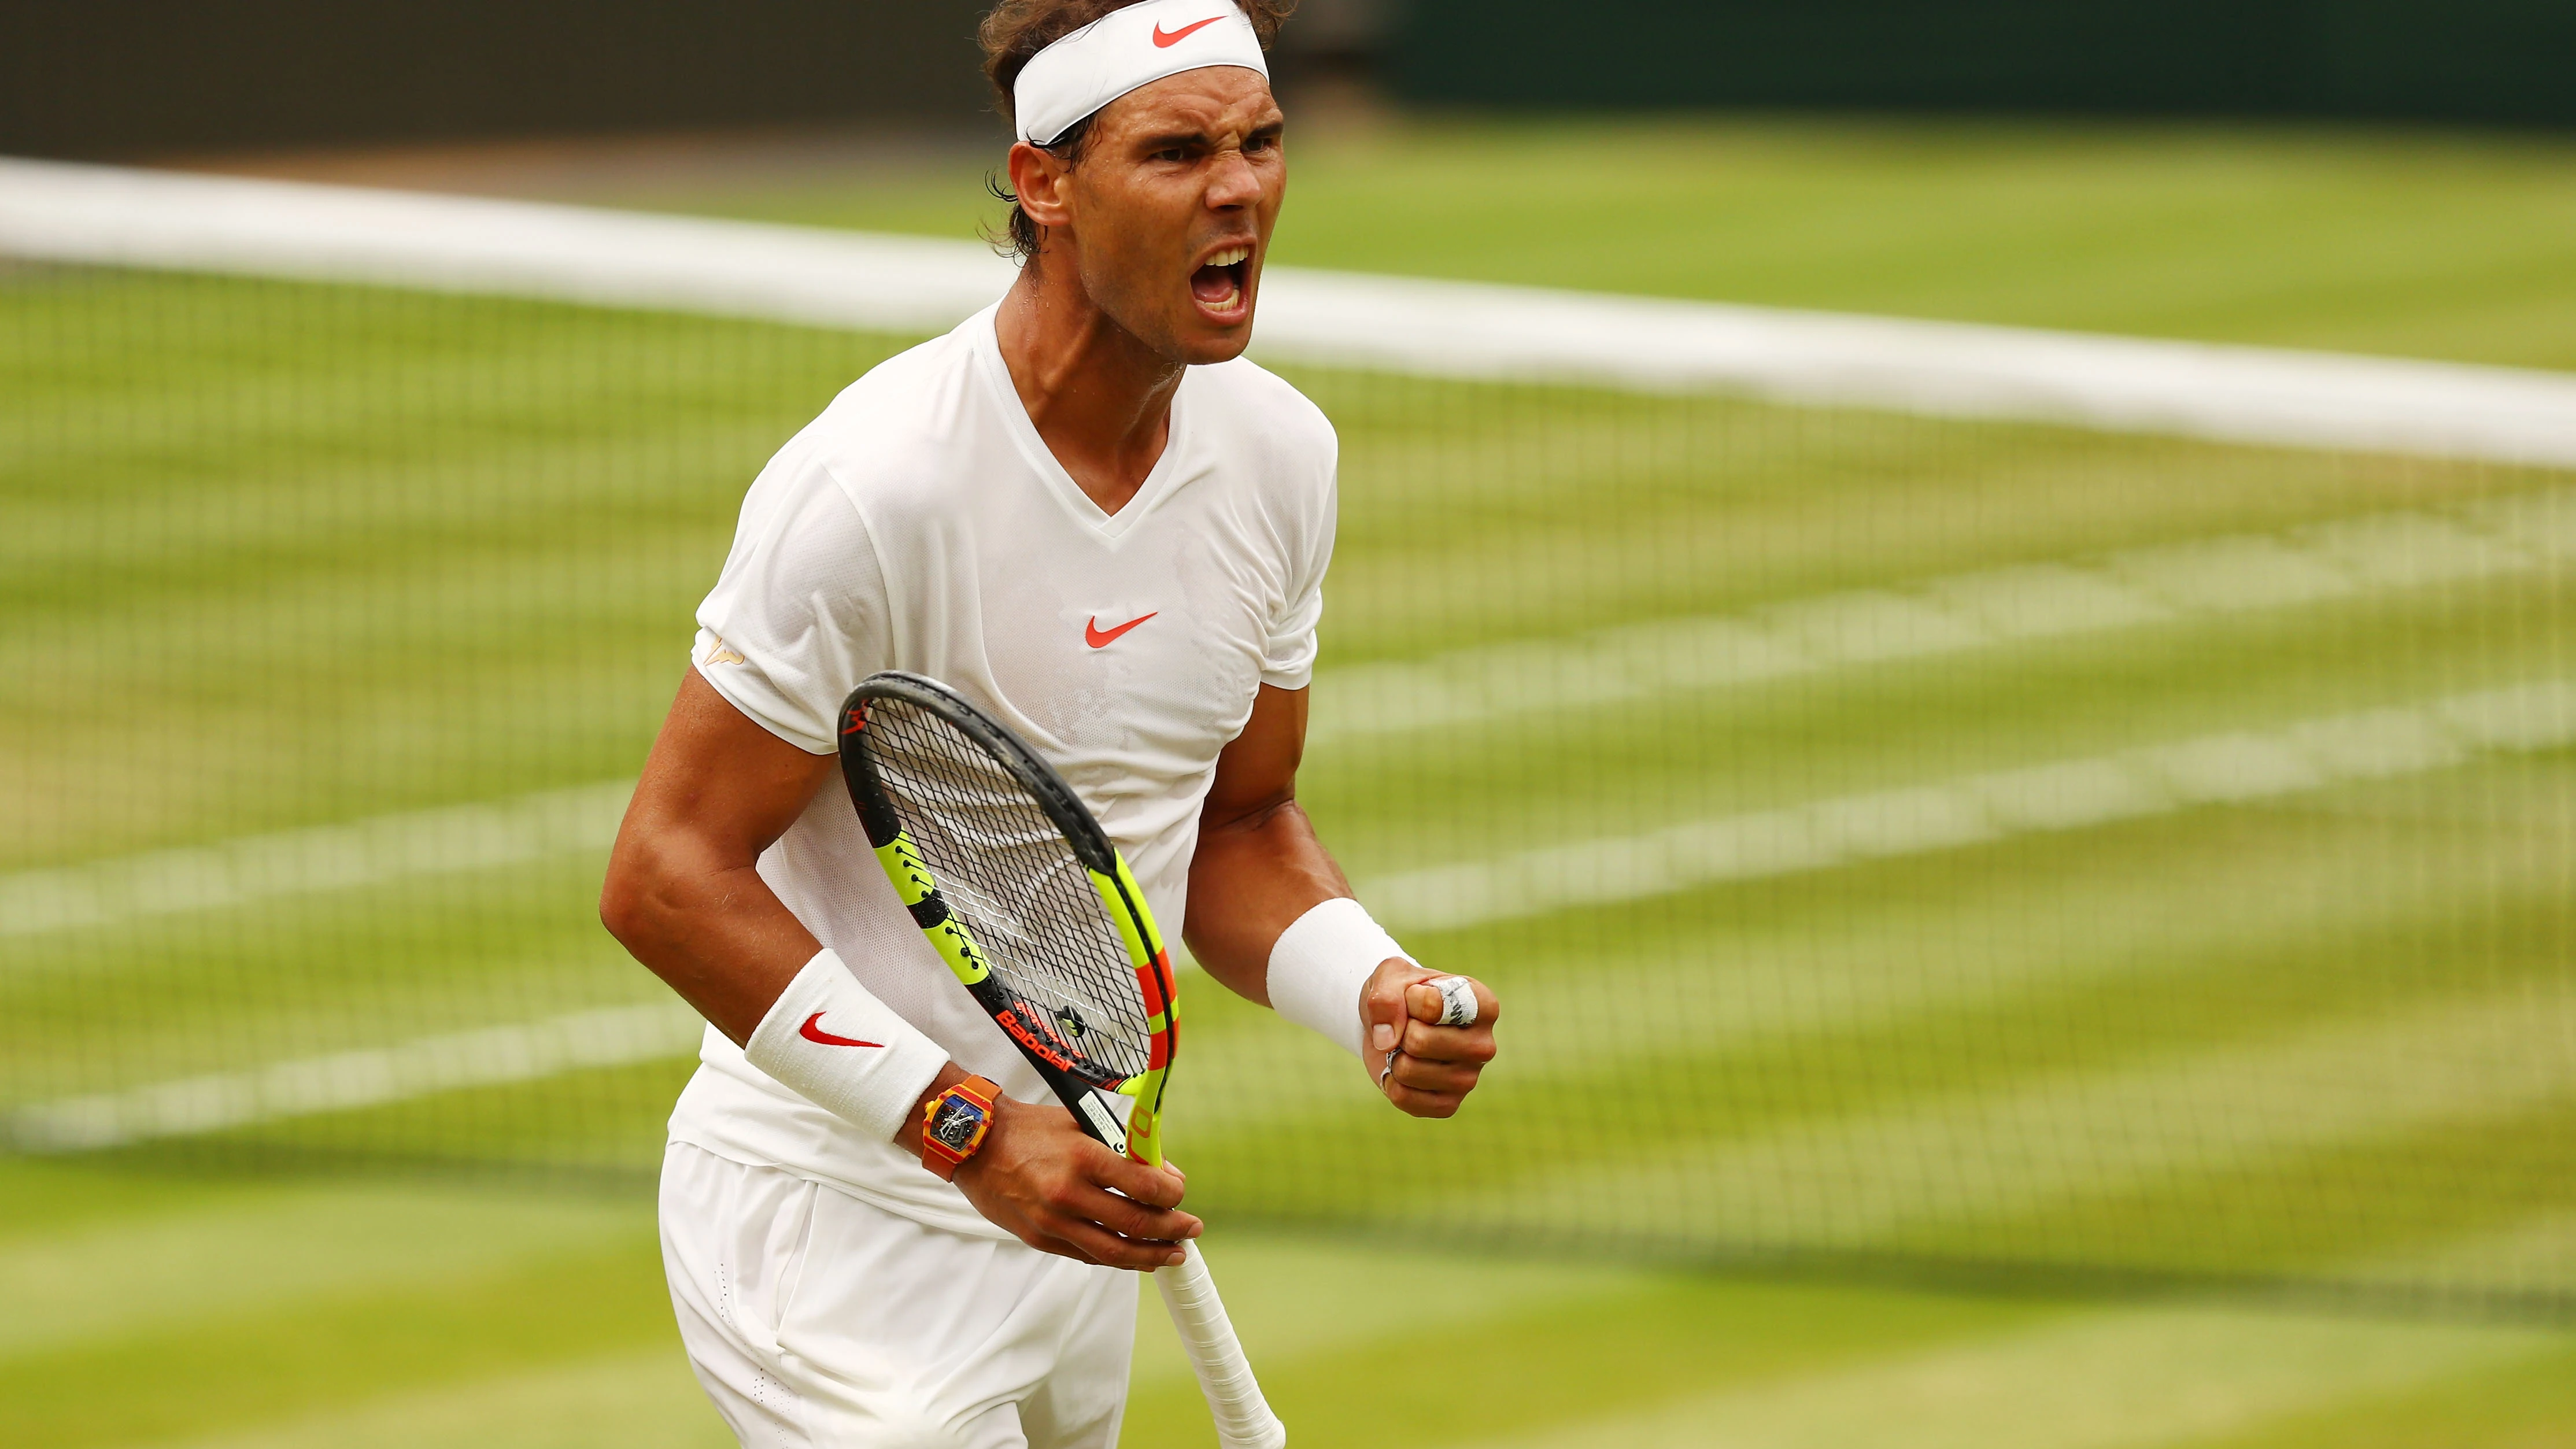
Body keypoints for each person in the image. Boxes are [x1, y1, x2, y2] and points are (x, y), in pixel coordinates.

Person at [598, 1, 1500, 1444]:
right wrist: (964, 1126)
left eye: (1262, 144)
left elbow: (1240, 823)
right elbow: (663, 873)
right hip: (839, 1222)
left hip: (1074, 1209)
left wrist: (1371, 987)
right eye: (1177, 150)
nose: (1238, 189)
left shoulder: (1279, 457)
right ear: (1044, 184)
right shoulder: (873, 489)